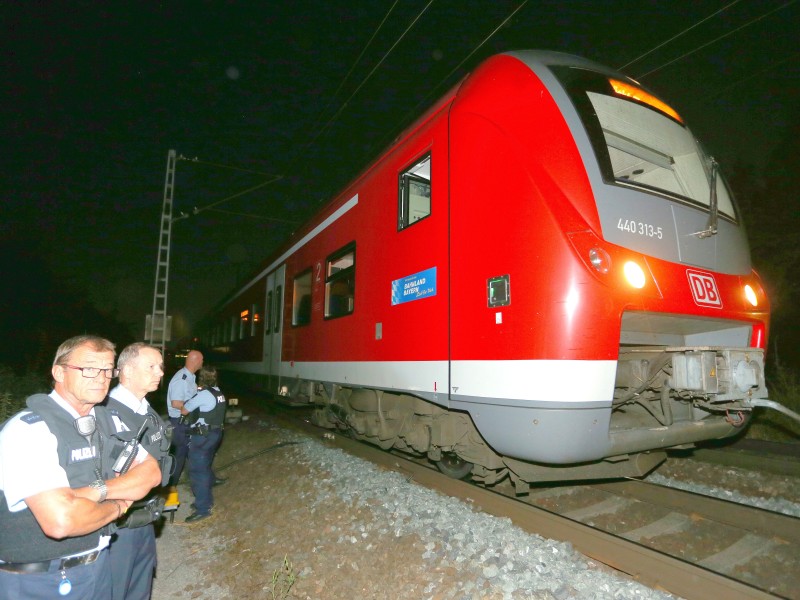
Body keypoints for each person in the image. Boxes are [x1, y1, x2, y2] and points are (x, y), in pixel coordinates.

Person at [0, 335, 160, 600]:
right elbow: (63, 521)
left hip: (97, 568)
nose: (100, 377)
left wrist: (93, 491)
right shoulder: (29, 430)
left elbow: (151, 471)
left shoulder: (105, 422)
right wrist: (119, 506)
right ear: (58, 372)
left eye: (108, 370)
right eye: (88, 369)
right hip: (39, 581)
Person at [106, 343, 173, 600]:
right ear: (127, 371)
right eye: (151, 367)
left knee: (140, 588)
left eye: (160, 367)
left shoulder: (147, 411)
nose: (159, 373)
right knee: (116, 589)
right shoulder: (106, 413)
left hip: (145, 518)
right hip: (118, 523)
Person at [180, 366, 227, 523]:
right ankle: (205, 498)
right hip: (215, 434)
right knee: (205, 466)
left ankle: (203, 508)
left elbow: (185, 410)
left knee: (197, 472)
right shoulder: (219, 392)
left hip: (203, 436)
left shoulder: (204, 395)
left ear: (202, 378)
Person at [166, 349, 203, 486]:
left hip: (187, 422)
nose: (203, 363)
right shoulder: (182, 379)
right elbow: (176, 403)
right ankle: (170, 487)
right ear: (196, 361)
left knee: (193, 454)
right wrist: (195, 409)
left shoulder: (190, 377)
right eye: (202, 360)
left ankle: (202, 481)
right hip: (180, 424)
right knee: (179, 457)